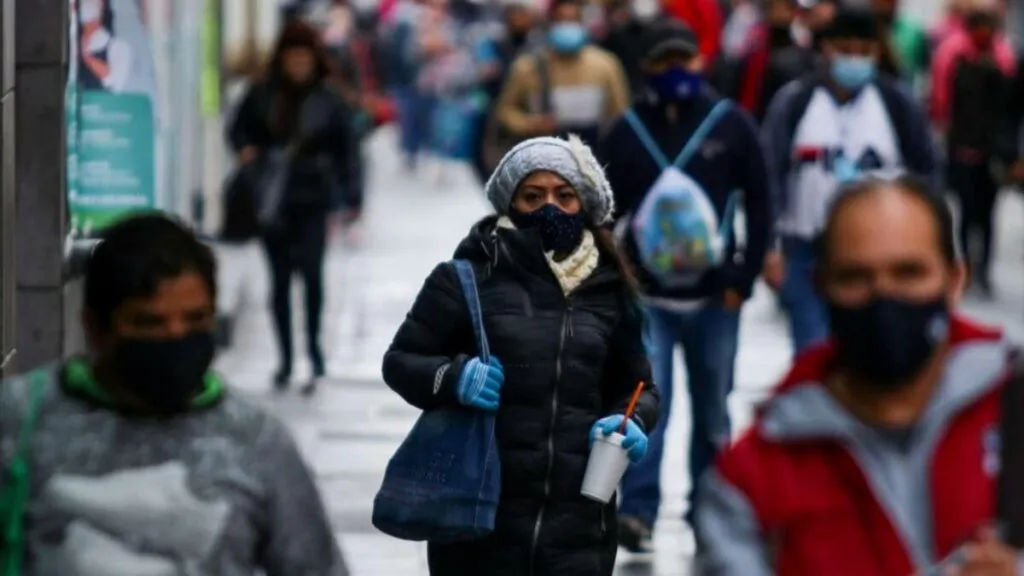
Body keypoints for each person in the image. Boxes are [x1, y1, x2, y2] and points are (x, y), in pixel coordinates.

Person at [695, 175, 1021, 575]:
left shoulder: (1013, 414)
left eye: (908, 273)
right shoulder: (753, 481)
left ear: (954, 280)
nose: (884, 296)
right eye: (855, 278)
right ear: (821, 286)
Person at [0, 213, 347, 575]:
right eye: (150, 323)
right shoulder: (19, 421)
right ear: (95, 327)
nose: (175, 337)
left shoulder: (256, 441)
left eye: (195, 321)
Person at [382, 135, 660, 575]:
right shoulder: (465, 279)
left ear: (583, 204)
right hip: (480, 522)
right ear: (509, 204)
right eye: (533, 196)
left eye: (564, 195)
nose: (550, 207)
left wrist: (632, 420)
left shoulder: (610, 290)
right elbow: (401, 361)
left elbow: (639, 386)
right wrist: (456, 378)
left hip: (580, 529)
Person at [598, 19, 772, 552]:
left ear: (701, 62)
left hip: (715, 298)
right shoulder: (627, 131)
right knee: (650, 407)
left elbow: (761, 201)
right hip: (648, 300)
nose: (676, 71)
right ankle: (638, 512)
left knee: (714, 409)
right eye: (663, 62)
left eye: (685, 60)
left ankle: (708, 512)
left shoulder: (730, 125)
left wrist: (744, 275)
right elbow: (605, 213)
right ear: (645, 68)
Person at [761, 7, 939, 356]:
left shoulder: (896, 104)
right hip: (808, 249)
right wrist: (770, 247)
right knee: (812, 352)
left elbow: (928, 173)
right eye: (846, 50)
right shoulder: (797, 102)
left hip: (880, 252)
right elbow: (771, 174)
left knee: (871, 352)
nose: (854, 59)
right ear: (826, 49)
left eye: (864, 51)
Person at [228, 22, 352, 393]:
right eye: (292, 59)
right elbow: (237, 129)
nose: (298, 66)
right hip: (272, 201)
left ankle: (313, 352)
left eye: (304, 59)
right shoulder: (262, 93)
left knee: (312, 276)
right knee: (279, 280)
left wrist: (350, 196)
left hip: (313, 198)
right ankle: (285, 358)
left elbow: (347, 149)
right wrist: (248, 152)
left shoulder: (329, 98)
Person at [931, 0, 1017, 298]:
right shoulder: (953, 54)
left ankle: (984, 270)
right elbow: (941, 101)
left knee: (988, 213)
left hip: (992, 152)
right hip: (963, 148)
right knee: (967, 213)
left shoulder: (1004, 59)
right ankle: (966, 265)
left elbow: (1010, 111)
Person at [494, 0, 630, 148]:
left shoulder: (605, 65)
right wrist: (530, 124)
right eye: (562, 20)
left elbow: (621, 114)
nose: (567, 26)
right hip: (545, 153)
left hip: (594, 152)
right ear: (551, 23)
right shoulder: (528, 67)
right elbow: (505, 112)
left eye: (572, 20)